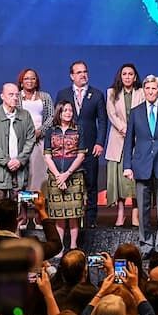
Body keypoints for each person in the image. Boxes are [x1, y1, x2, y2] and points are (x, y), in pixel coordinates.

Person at [123, 75, 158, 256]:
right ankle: (146, 245)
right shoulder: (136, 111)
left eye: (154, 89)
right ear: (144, 90)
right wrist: (127, 166)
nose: (150, 92)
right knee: (143, 210)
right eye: (147, 88)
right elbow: (128, 142)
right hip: (141, 166)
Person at [55, 60, 108, 228]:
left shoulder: (97, 94)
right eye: (79, 72)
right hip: (68, 149)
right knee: (70, 183)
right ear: (72, 76)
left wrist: (100, 142)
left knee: (91, 183)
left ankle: (91, 219)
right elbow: (57, 121)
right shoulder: (63, 94)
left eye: (85, 71)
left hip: (90, 147)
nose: (83, 74)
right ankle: (70, 218)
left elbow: (103, 121)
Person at [0, 83, 36, 209]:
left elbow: (30, 139)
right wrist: (6, 161)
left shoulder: (25, 115)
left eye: (17, 95)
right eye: (11, 95)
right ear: (2, 96)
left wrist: (20, 160)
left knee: (17, 213)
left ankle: (16, 229)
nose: (15, 98)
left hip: (19, 172)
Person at [43, 100, 87, 249]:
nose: (68, 113)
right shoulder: (51, 131)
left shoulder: (79, 129)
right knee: (59, 216)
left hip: (74, 177)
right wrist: (58, 175)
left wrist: (66, 174)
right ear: (59, 113)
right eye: (65, 110)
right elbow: (47, 155)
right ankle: (60, 246)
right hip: (55, 177)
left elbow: (81, 155)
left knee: (74, 215)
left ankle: (73, 246)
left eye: (70, 110)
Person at [105, 63, 144, 228]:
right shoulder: (112, 93)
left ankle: (135, 214)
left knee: (135, 181)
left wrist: (134, 131)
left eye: (130, 74)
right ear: (120, 76)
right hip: (118, 140)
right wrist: (124, 128)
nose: (127, 77)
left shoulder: (142, 93)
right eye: (124, 74)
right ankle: (120, 214)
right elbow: (111, 114)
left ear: (135, 77)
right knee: (119, 181)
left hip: (137, 140)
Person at [16, 68, 53, 213]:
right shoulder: (17, 97)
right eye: (26, 78)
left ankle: (39, 215)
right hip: (22, 142)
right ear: (21, 82)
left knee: (40, 178)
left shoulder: (45, 96)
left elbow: (51, 117)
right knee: (23, 180)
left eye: (32, 78)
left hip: (40, 141)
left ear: (37, 81)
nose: (29, 81)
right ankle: (23, 216)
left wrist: (41, 131)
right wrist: (28, 134)